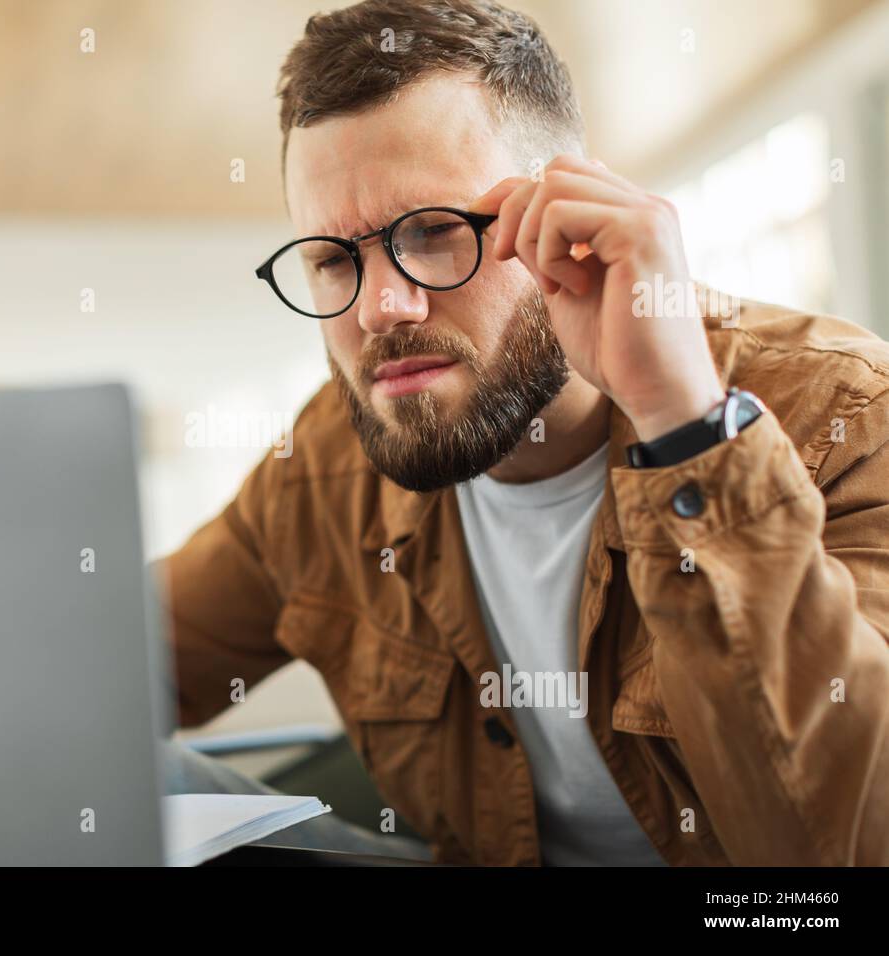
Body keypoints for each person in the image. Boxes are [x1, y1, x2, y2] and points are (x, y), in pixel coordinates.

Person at [158, 0, 889, 865]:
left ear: (567, 215)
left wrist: (685, 428)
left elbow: (845, 849)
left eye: (432, 232)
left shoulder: (845, 413)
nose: (384, 307)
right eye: (333, 260)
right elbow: (108, 663)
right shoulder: (324, 462)